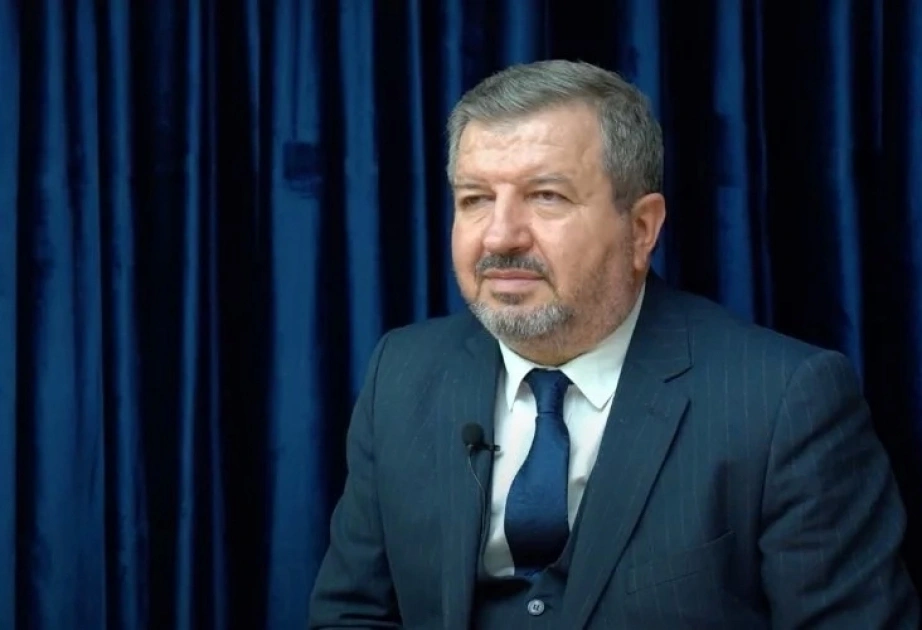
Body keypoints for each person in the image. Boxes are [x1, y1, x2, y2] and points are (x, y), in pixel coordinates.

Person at [308, 59, 920, 629]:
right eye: (475, 199)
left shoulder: (785, 401)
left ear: (642, 228)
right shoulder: (402, 374)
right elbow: (353, 615)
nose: (500, 235)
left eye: (546, 196)